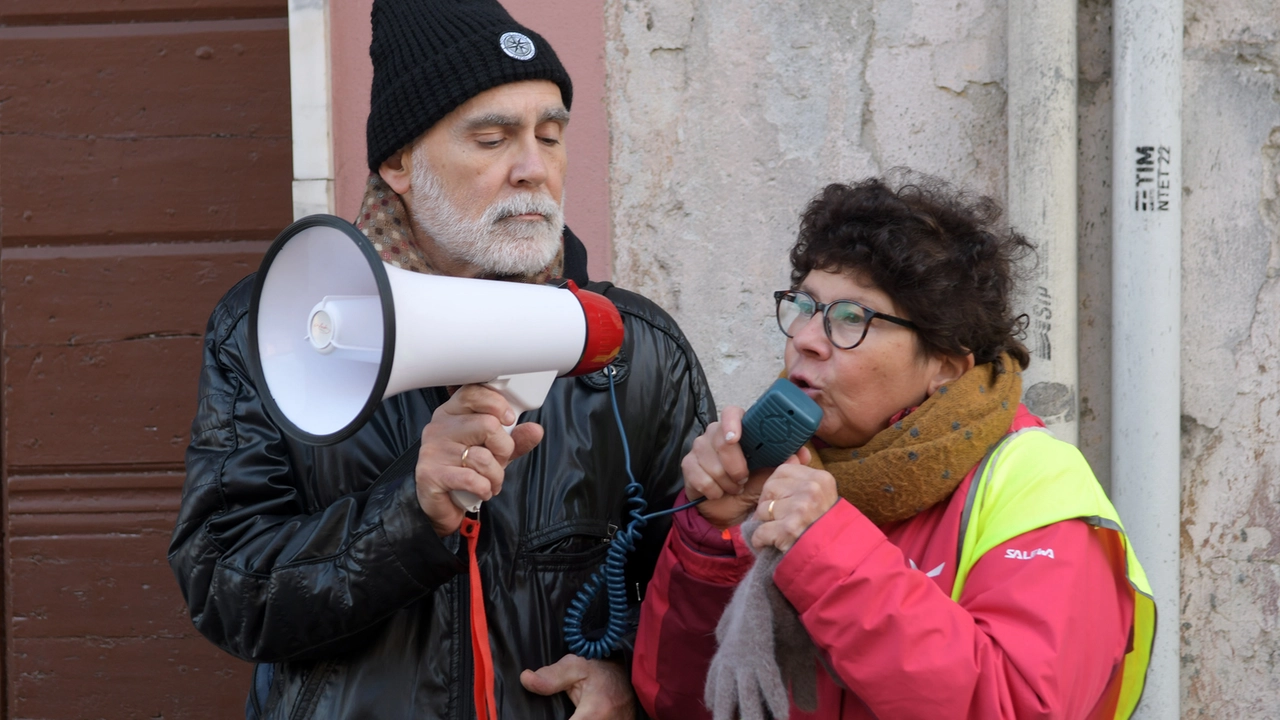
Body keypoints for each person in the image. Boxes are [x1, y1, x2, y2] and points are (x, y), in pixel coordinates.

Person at [168, 1, 714, 718]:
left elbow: (708, 587)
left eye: (551, 137)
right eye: (492, 139)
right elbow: (227, 589)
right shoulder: (276, 329)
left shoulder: (634, 349)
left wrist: (631, 680)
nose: (533, 169)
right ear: (399, 162)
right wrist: (409, 511)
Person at [632, 173, 1155, 720]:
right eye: (805, 306)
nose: (806, 338)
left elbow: (1017, 706)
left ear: (945, 368)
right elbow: (678, 703)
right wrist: (715, 538)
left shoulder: (1034, 479)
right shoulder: (782, 476)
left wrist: (826, 549)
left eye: (852, 318)